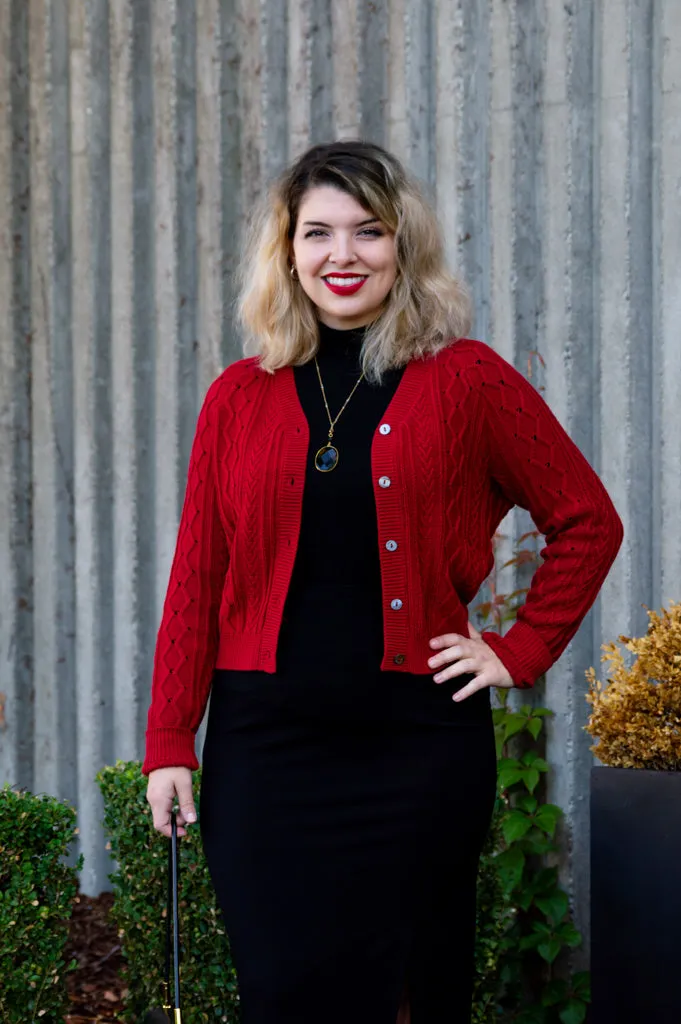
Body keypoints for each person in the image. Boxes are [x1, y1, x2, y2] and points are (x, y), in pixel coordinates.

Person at [142, 140, 623, 1024]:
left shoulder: (466, 379)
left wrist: (517, 650)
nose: (342, 255)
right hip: (266, 753)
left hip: (415, 751)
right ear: (287, 249)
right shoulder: (236, 398)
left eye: (369, 231)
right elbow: (196, 575)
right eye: (317, 232)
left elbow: (587, 519)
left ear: (404, 245)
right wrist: (172, 736)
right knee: (282, 995)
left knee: (410, 993)